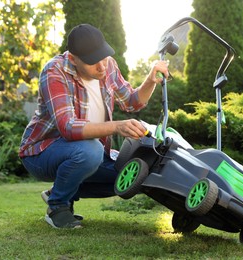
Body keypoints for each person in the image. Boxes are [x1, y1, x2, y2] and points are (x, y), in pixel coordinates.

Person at [19, 24, 169, 229]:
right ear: (73, 59)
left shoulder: (108, 66)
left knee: (137, 176)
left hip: (87, 152)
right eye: (92, 62)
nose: (102, 67)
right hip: (41, 152)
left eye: (104, 58)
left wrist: (151, 79)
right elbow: (69, 128)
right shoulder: (55, 71)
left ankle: (60, 190)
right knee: (90, 150)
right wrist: (116, 126)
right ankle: (58, 206)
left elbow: (133, 102)